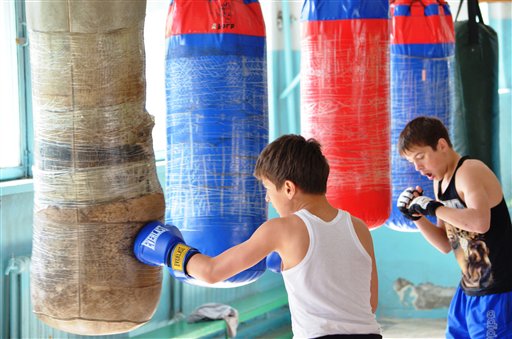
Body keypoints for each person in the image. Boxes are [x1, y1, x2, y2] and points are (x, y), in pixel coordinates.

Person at [134, 134, 382, 339]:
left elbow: (211, 271)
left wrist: (169, 250)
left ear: (288, 188)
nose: (267, 199)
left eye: (267, 189)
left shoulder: (282, 229)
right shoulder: (358, 227)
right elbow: (369, 303)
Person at [396, 116, 512, 338]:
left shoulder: (469, 171)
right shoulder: (439, 182)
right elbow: (445, 243)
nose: (418, 167)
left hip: (497, 289)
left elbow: (480, 222)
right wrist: (417, 216)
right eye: (412, 162)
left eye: (420, 157)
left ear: (441, 145)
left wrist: (434, 208)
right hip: (469, 287)